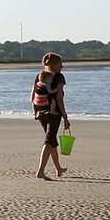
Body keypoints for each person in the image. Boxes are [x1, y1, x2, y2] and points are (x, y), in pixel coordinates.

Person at [30, 52, 70, 180]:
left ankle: (58, 168)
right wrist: (64, 115)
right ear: (55, 64)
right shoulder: (59, 78)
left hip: (40, 111)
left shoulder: (39, 76)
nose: (62, 66)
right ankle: (40, 171)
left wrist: (34, 111)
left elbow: (32, 95)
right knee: (48, 141)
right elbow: (59, 98)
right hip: (54, 113)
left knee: (52, 141)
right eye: (60, 64)